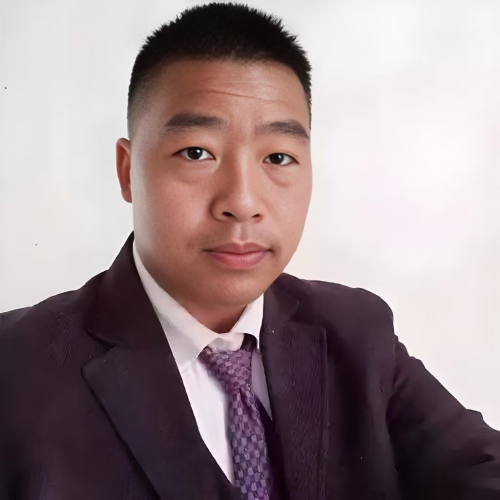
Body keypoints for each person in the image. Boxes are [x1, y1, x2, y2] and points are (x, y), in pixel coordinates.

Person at [0, 3, 499, 499]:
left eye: (278, 157)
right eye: (197, 152)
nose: (242, 201)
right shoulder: (15, 370)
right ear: (128, 172)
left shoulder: (357, 334)